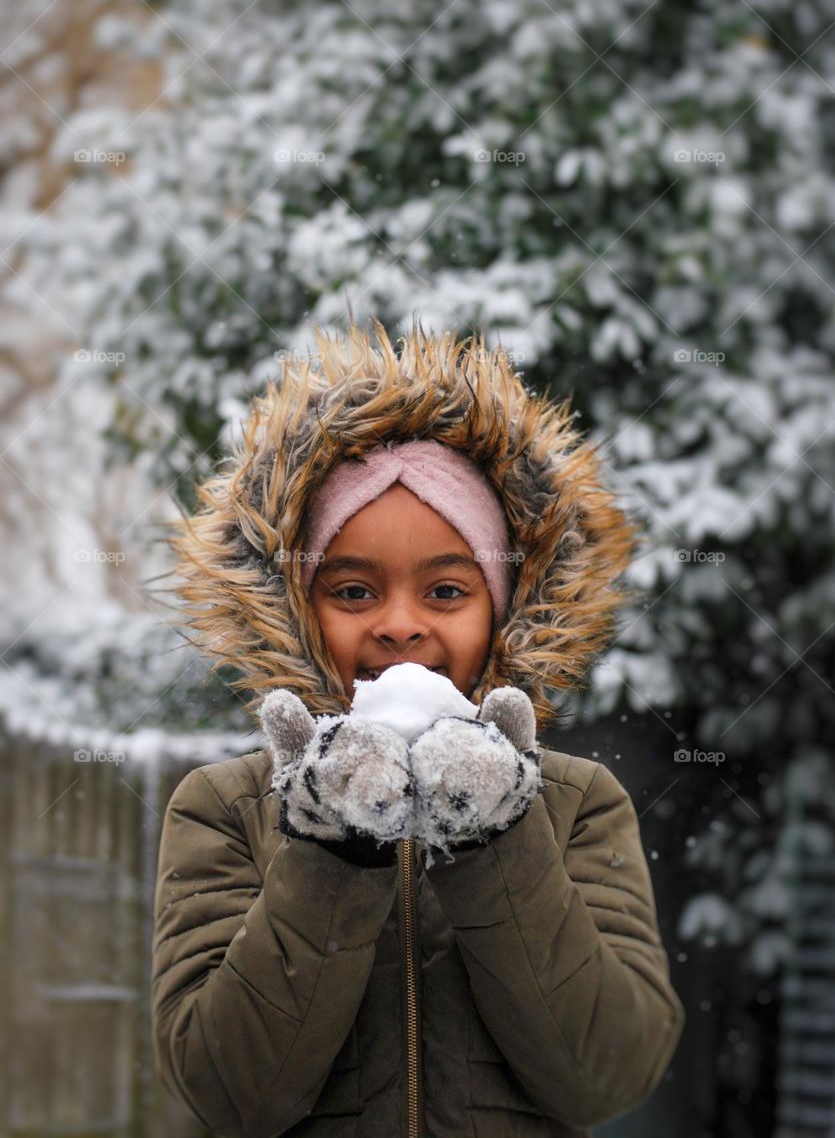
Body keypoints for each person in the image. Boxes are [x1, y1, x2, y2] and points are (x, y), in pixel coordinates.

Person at [152, 317, 686, 1138]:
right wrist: (332, 850)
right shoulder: (223, 808)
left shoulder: (578, 801)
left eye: (445, 592)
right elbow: (231, 1093)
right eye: (354, 592)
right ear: (295, 611)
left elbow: (604, 1074)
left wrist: (494, 838)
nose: (400, 626)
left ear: (506, 612)